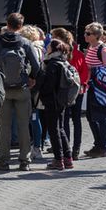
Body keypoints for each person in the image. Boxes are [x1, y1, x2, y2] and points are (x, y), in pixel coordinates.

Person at [0, 13, 40, 172]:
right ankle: (25, 161)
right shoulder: (25, 42)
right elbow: (36, 66)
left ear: (7, 24)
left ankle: (3, 160)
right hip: (22, 89)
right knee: (24, 125)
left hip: (3, 89)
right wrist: (31, 78)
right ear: (21, 26)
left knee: (5, 126)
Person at [33, 39, 74, 170]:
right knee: (60, 128)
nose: (47, 48)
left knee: (53, 130)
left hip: (52, 101)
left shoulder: (52, 64)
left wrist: (42, 93)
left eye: (49, 46)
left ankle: (58, 159)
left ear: (54, 49)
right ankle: (68, 158)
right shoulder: (64, 62)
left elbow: (48, 85)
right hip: (62, 101)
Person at [52, 28, 89, 160]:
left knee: (64, 121)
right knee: (76, 119)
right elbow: (85, 71)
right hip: (78, 90)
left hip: (64, 91)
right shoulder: (79, 54)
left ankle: (65, 149)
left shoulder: (61, 54)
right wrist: (83, 84)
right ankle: (75, 151)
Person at [83, 23, 106, 158]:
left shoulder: (102, 50)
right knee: (91, 118)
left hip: (101, 89)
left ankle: (103, 147)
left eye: (88, 33)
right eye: (85, 33)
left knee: (101, 118)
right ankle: (98, 145)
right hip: (92, 87)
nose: (85, 35)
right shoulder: (91, 47)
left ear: (96, 36)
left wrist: (93, 69)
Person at [20, 25, 45, 160]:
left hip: (32, 88)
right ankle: (37, 145)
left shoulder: (32, 48)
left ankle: (36, 147)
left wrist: (31, 79)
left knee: (33, 118)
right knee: (35, 117)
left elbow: (33, 67)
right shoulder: (41, 48)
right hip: (38, 88)